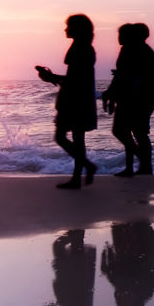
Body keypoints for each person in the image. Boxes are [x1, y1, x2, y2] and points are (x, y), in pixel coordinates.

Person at [37, 14, 99, 189]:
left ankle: (85, 167)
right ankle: (77, 177)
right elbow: (76, 78)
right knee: (77, 138)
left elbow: (75, 79)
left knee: (61, 137)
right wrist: (52, 78)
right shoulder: (84, 47)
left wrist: (51, 77)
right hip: (81, 98)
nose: (65, 30)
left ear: (77, 29)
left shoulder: (81, 49)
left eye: (68, 26)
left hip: (74, 100)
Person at [102, 23, 154, 177]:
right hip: (134, 95)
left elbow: (144, 76)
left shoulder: (139, 50)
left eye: (122, 34)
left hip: (142, 96)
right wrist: (113, 94)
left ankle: (143, 165)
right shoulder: (127, 49)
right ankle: (136, 166)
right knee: (127, 131)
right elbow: (121, 75)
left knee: (134, 131)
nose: (119, 38)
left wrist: (120, 96)